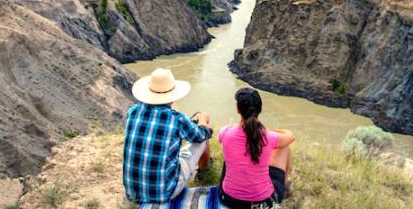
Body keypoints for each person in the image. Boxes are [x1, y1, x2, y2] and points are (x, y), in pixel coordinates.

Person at [122, 68, 213, 204]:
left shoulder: (133, 111)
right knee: (201, 141)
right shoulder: (177, 119)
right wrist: (203, 122)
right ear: (172, 95)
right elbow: (200, 135)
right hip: (164, 193)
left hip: (132, 193)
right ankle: (204, 174)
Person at [218, 88, 295, 208]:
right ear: (260, 110)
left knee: (230, 156)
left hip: (228, 199)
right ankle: (285, 186)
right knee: (285, 147)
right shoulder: (268, 137)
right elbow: (290, 136)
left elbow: (228, 132)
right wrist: (265, 131)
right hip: (263, 203)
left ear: (238, 109)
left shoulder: (225, 132)